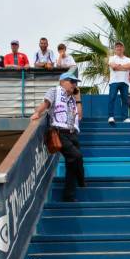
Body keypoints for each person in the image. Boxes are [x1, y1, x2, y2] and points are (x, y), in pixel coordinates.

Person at [30, 73, 84, 202]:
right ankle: (82, 182)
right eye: (71, 81)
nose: (74, 85)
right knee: (77, 156)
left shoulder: (72, 99)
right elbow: (46, 103)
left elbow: (80, 116)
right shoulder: (54, 91)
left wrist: (78, 99)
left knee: (72, 165)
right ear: (62, 82)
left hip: (73, 133)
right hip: (60, 132)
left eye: (75, 82)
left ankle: (68, 196)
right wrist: (37, 113)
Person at [105, 41, 130, 124]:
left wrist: (119, 67)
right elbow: (113, 67)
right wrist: (125, 67)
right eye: (117, 47)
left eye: (120, 46)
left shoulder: (128, 59)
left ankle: (125, 118)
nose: (119, 48)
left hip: (125, 82)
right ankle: (111, 117)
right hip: (114, 81)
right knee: (112, 98)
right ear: (115, 49)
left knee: (125, 100)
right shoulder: (112, 58)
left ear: (123, 48)